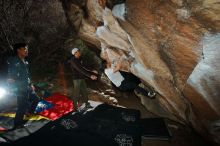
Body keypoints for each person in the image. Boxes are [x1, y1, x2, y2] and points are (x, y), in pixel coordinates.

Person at [7, 43, 40, 129]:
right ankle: (17, 124)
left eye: (27, 49)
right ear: (18, 50)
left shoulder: (26, 62)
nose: (26, 50)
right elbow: (11, 77)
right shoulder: (14, 61)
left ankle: (29, 112)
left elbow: (28, 75)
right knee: (22, 106)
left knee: (36, 99)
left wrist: (31, 84)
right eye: (24, 49)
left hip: (27, 86)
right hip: (20, 88)